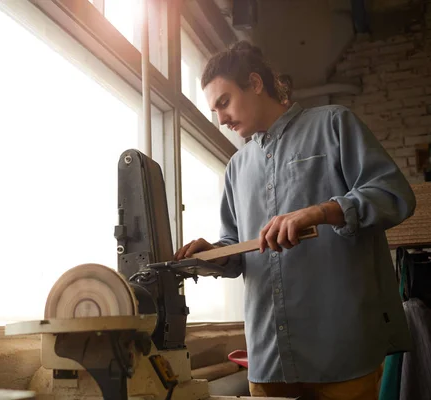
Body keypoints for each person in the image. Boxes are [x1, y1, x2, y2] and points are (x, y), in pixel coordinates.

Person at [174, 41, 416, 399]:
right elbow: (236, 246)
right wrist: (214, 255)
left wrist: (324, 210)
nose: (221, 119)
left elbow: (396, 195)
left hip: (341, 354)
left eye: (224, 102)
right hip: (268, 360)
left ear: (255, 83)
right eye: (214, 110)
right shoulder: (236, 168)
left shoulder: (334, 124)